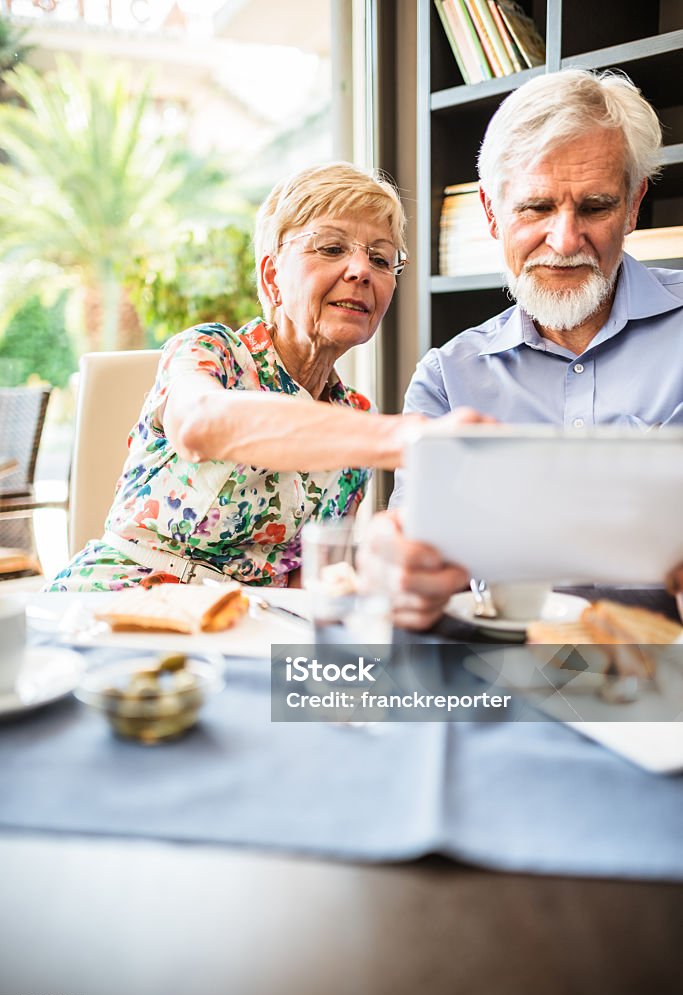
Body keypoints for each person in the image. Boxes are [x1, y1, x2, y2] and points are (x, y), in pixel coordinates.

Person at [48, 162, 467, 592]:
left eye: (380, 258)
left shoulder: (355, 413)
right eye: (331, 248)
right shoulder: (212, 352)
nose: (362, 270)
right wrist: (404, 438)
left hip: (246, 628)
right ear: (272, 278)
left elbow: (308, 577)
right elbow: (199, 423)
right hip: (120, 600)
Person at [365, 69, 683, 630]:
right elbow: (420, 554)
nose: (564, 241)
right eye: (535, 208)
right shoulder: (447, 377)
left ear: (633, 207)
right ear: (491, 213)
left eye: (595, 207)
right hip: (505, 673)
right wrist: (405, 576)